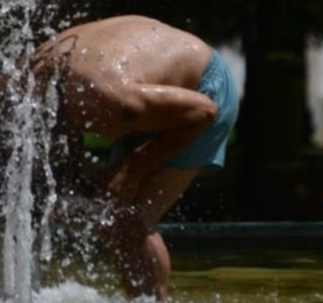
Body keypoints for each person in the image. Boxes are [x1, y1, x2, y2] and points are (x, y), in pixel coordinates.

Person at [31, 15, 240, 300]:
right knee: (103, 211)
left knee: (131, 220)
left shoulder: (109, 100)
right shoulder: (23, 84)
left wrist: (133, 169)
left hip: (203, 91)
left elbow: (203, 112)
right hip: (138, 85)